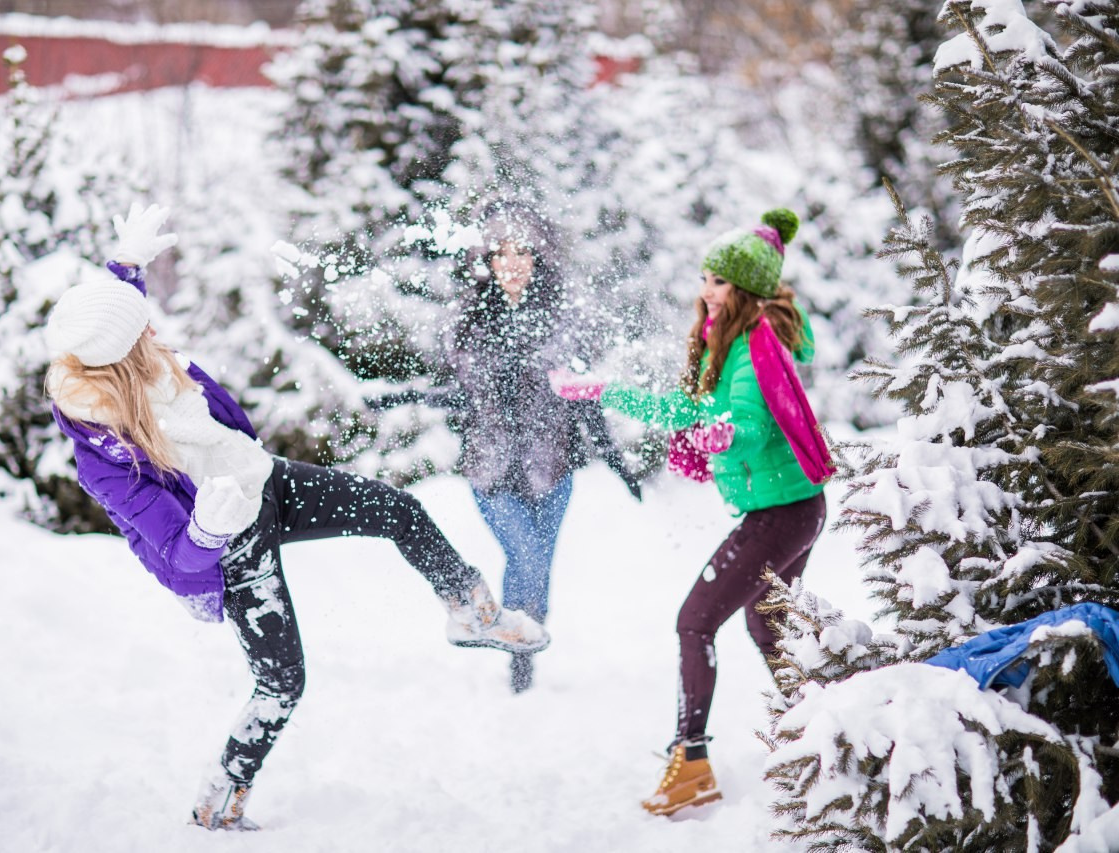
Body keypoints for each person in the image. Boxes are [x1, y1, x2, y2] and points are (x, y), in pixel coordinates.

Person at [43, 204, 550, 831]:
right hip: (229, 547)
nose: (157, 335)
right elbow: (175, 551)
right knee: (282, 683)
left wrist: (125, 267)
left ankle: (474, 613)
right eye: (142, 333)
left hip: (263, 480)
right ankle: (219, 801)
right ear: (118, 362)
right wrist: (208, 529)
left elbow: (117, 313)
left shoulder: (122, 348)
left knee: (398, 509)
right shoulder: (106, 456)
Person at [551, 208, 835, 815]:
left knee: (695, 621)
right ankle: (828, 732)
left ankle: (692, 762)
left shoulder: (755, 348)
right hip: (790, 509)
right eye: (705, 278)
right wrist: (609, 391)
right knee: (768, 627)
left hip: (782, 514)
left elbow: (751, 424)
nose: (705, 291)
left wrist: (721, 437)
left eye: (718, 282)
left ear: (746, 291)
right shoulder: (727, 343)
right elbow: (687, 411)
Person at [367, 203, 640, 693]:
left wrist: (618, 462)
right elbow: (457, 394)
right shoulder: (470, 322)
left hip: (551, 470)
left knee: (540, 568)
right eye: (501, 254)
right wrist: (403, 396)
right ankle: (517, 648)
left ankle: (524, 653)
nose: (512, 263)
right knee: (526, 556)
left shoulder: (561, 321)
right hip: (491, 472)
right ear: (488, 262)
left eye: (522, 253)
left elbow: (583, 399)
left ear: (538, 260)